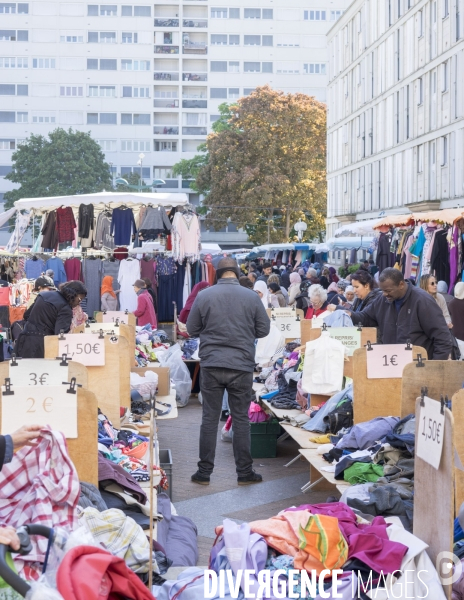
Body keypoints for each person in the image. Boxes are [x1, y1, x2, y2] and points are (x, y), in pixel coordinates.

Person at [186, 257, 270, 486]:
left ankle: (203, 472)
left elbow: (191, 328)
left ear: (218, 273)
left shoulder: (204, 295)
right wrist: (244, 332)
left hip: (212, 364)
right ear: (235, 272)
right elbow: (263, 329)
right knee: (241, 419)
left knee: (209, 419)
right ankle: (244, 472)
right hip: (241, 364)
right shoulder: (251, 296)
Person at [337, 268, 452, 359]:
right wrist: (350, 314)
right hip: (391, 365)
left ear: (401, 285)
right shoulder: (383, 300)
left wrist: (433, 367)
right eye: (382, 290)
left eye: (388, 291)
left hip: (418, 367)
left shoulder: (422, 301)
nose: (384, 294)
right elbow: (366, 316)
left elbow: (442, 337)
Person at [15, 281, 87, 358]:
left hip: (24, 340)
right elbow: (60, 335)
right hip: (41, 347)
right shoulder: (65, 309)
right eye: (80, 299)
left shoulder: (44, 295)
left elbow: (26, 315)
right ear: (73, 294)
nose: (79, 303)